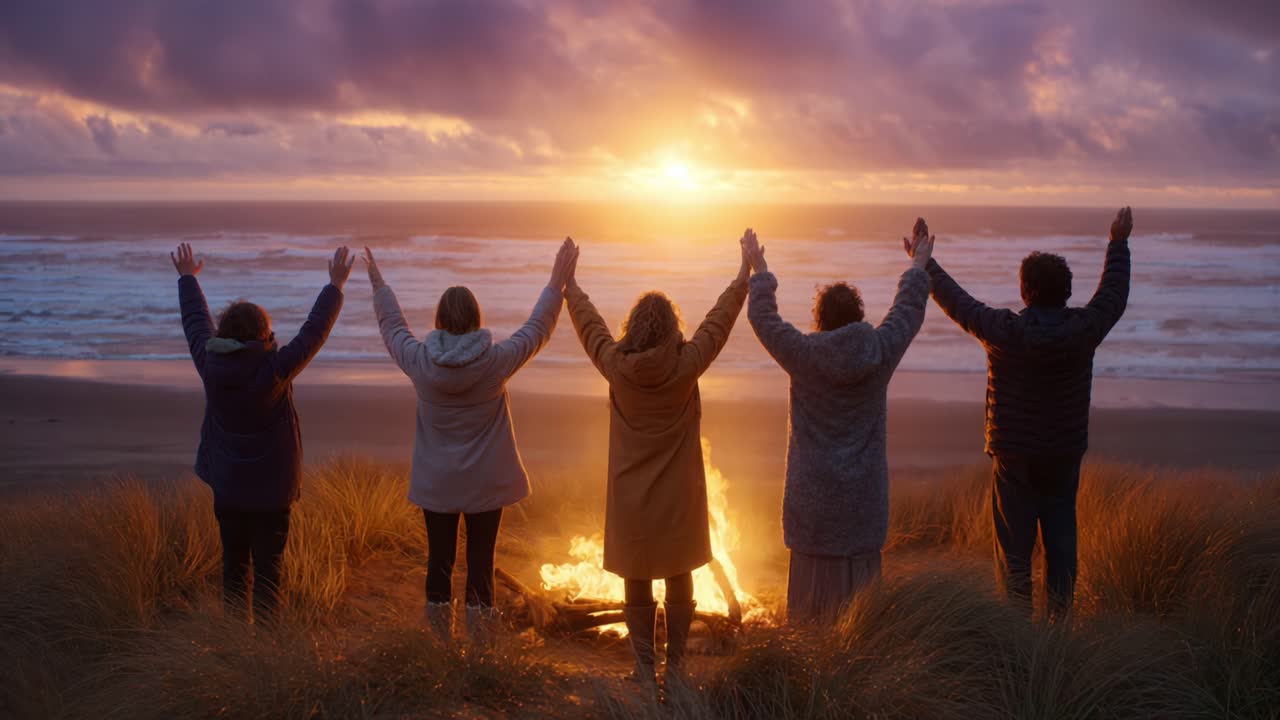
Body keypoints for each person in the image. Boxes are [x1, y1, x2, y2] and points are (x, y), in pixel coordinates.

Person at [920, 207, 1133, 621]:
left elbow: (957, 302)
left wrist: (925, 263)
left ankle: (1017, 635)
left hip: (1013, 456)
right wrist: (1118, 243)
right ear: (1067, 292)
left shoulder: (1005, 332)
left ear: (1024, 291)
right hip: (1062, 456)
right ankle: (1058, 631)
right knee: (1061, 547)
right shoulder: (1083, 330)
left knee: (1014, 555)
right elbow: (1113, 297)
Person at [364, 238, 578, 643]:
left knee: (439, 561)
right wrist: (556, 280)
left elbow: (392, 328)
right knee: (481, 562)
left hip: (437, 484)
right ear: (476, 318)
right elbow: (537, 329)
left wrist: (379, 285)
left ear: (440, 320)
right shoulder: (494, 362)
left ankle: (441, 647)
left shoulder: (420, 362)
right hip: (485, 483)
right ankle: (480, 647)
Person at [564, 234, 750, 687]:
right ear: (670, 328)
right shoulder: (685, 364)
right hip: (678, 496)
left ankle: (644, 667)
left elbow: (590, 328)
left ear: (632, 326)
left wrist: (570, 286)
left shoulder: (614, 364)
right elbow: (717, 324)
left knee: (636, 576)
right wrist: (743, 277)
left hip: (631, 497)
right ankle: (677, 666)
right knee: (679, 573)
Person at [742, 223, 933, 624]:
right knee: (860, 621)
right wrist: (918, 263)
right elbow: (907, 310)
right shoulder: (877, 352)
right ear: (858, 316)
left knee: (810, 622)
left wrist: (759, 269)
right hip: (861, 507)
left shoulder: (803, 354)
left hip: (812, 508)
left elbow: (763, 319)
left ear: (820, 319)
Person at [172, 242, 353, 623]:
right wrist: (335, 285)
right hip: (272, 493)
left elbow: (195, 322)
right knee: (270, 572)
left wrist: (188, 278)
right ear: (263, 335)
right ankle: (266, 647)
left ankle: (237, 641)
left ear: (224, 334)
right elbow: (313, 332)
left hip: (228, 488)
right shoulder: (274, 368)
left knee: (234, 567)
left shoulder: (210, 362)